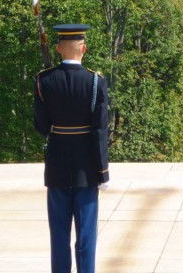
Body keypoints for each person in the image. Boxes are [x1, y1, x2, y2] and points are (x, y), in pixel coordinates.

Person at [33, 23, 110, 273]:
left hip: (56, 166)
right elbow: (99, 130)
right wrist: (103, 172)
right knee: (86, 236)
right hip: (87, 168)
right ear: (83, 49)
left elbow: (42, 127)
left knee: (59, 236)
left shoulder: (44, 80)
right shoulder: (96, 82)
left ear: (58, 48)